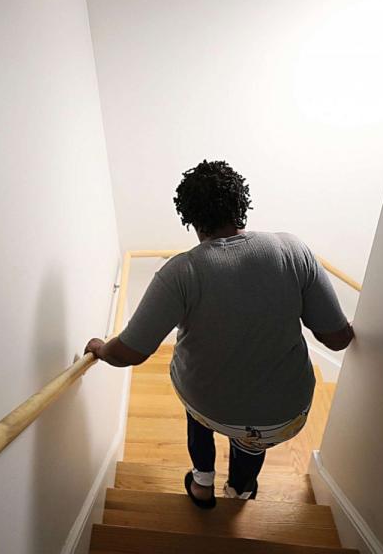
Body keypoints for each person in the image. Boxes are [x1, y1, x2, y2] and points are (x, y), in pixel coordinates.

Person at [85, 160, 354, 509]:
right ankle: (240, 491)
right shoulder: (292, 250)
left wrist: (101, 348)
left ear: (191, 220)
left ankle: (202, 483)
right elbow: (336, 339)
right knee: (251, 442)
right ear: (242, 204)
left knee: (198, 412)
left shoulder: (179, 273)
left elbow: (131, 353)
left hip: (207, 404)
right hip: (281, 416)